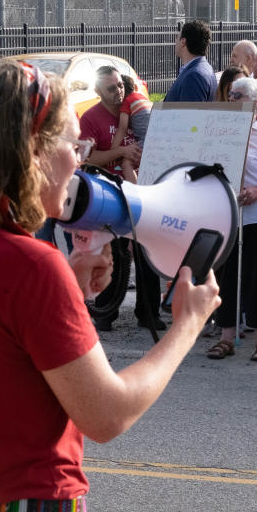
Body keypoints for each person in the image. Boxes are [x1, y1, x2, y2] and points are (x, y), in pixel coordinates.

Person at [0, 59, 220, 512]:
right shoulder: (32, 268)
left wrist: (71, 293)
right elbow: (107, 415)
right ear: (30, 152)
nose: (80, 157)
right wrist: (187, 324)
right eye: (71, 142)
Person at [206, 77, 257, 362]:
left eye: (237, 95)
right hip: (226, 214)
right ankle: (226, 336)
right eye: (230, 95)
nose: (231, 100)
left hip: (256, 215)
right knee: (226, 277)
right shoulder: (218, 132)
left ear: (254, 104)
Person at [79, 66, 164, 331]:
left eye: (120, 85)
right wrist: (122, 152)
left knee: (146, 252)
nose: (118, 92)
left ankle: (148, 313)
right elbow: (87, 159)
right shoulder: (91, 119)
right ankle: (106, 311)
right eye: (110, 88)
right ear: (97, 92)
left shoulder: (138, 110)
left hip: (140, 190)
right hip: (109, 194)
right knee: (113, 257)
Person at [108, 73, 152, 184]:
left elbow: (122, 128)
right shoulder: (143, 98)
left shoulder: (127, 102)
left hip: (145, 140)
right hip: (157, 136)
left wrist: (113, 151)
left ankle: (136, 191)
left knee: (127, 164)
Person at [165, 20, 217, 102]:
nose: (175, 42)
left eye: (177, 37)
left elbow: (189, 113)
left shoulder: (194, 76)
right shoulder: (203, 69)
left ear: (183, 42)